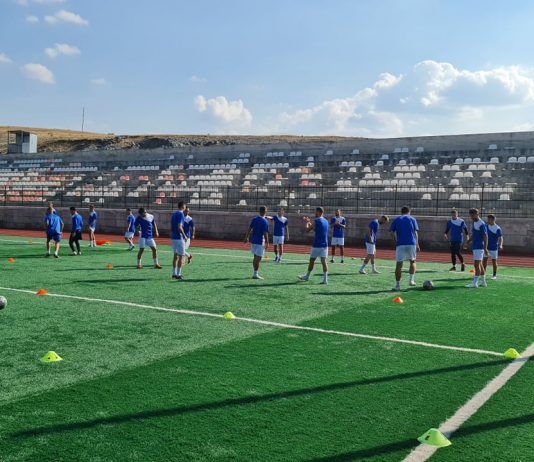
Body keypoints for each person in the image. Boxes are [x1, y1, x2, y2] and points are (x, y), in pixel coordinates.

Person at [390, 206, 420, 291]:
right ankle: (411, 280)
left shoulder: (396, 219)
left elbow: (391, 233)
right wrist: (417, 244)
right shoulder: (412, 219)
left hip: (400, 244)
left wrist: (395, 241)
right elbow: (415, 232)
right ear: (409, 211)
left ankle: (397, 285)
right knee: (412, 261)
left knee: (399, 265)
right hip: (411, 243)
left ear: (401, 212)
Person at [299, 207, 329, 284]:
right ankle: (325, 279)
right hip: (325, 244)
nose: (315, 213)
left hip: (317, 245)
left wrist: (306, 222)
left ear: (319, 212)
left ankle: (307, 276)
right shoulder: (326, 221)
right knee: (324, 261)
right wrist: (310, 223)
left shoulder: (316, 221)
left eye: (316, 212)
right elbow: (317, 230)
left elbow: (307, 230)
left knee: (312, 260)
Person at [244, 206, 270, 280]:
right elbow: (265, 233)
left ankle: (255, 273)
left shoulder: (254, 219)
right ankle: (255, 274)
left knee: (255, 257)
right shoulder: (265, 221)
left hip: (254, 240)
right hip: (260, 241)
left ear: (259, 211)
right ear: (265, 212)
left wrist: (246, 237)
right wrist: (267, 242)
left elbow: (249, 229)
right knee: (258, 259)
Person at [465, 208, 488, 288]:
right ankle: (483, 282)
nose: (471, 217)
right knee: (480, 264)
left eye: (472, 215)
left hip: (479, 246)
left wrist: (485, 248)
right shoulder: (475, 222)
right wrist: (468, 242)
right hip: (476, 246)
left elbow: (485, 236)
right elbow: (474, 235)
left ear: (477, 214)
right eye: (470, 216)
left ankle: (475, 283)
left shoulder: (481, 224)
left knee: (476, 265)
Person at [170, 202, 189, 280]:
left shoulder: (174, 214)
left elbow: (171, 226)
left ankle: (174, 273)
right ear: (183, 206)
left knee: (175, 256)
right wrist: (184, 236)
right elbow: (179, 226)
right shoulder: (181, 214)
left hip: (174, 237)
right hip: (179, 237)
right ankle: (179, 274)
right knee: (181, 256)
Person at [484, 214, 503, 280]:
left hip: (493, 247)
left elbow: (500, 237)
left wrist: (500, 245)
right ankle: (483, 274)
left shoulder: (497, 228)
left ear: (493, 220)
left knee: (494, 261)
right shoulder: (485, 226)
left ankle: (494, 275)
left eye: (489, 219)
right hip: (486, 247)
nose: (487, 220)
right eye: (487, 219)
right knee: (484, 260)